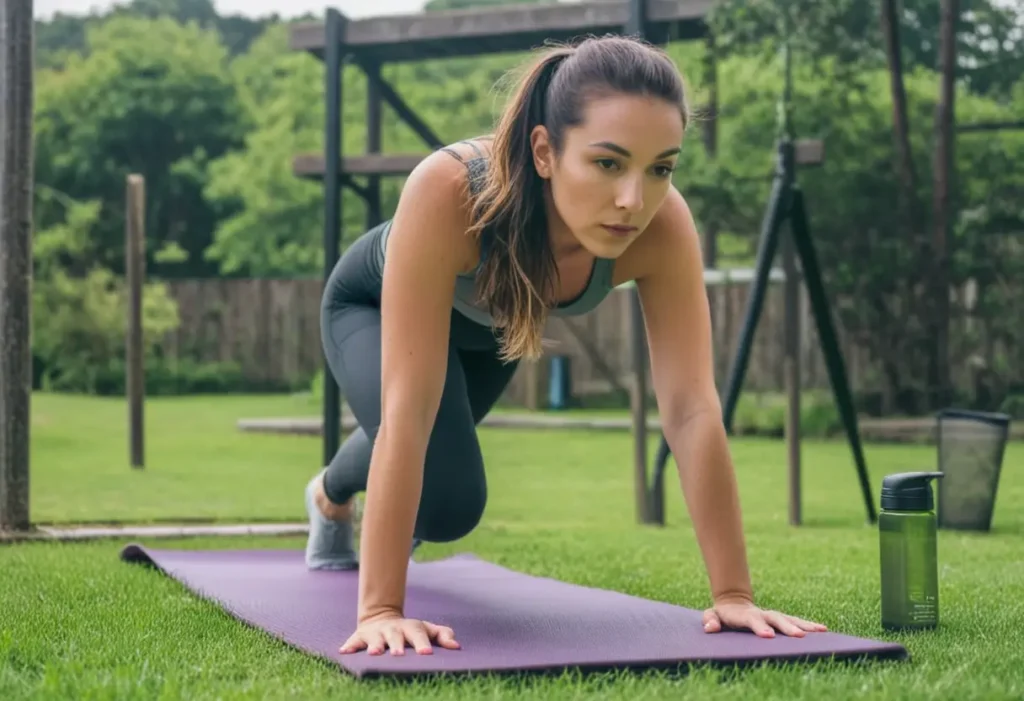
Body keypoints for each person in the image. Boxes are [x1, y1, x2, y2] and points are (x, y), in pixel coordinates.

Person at [304, 34, 828, 658]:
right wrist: (382, 611)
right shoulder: (448, 190)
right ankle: (330, 496)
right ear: (546, 151)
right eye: (608, 163)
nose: (634, 199)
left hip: (490, 328)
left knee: (441, 472)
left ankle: (338, 490)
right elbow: (410, 408)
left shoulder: (661, 228)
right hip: (368, 306)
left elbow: (691, 409)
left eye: (661, 167)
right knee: (448, 502)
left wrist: (734, 595)